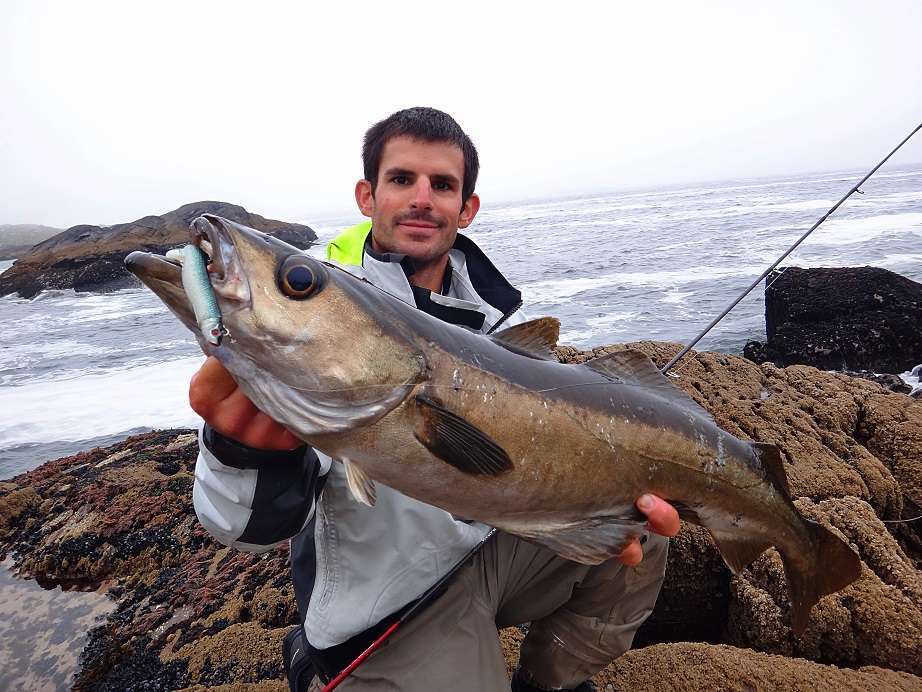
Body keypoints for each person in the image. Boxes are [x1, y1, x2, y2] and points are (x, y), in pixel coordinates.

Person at [189, 107, 679, 692]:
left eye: (442, 185)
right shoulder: (319, 332)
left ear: (466, 208)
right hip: (390, 605)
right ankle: (318, 662)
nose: (421, 198)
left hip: (488, 550)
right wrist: (242, 451)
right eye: (401, 180)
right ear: (366, 196)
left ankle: (550, 683)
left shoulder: (485, 320)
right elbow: (247, 526)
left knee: (639, 529)